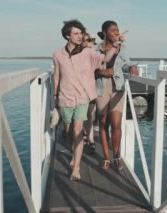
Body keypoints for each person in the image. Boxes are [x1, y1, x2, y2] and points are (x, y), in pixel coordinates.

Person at [53, 20, 116, 180]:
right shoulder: (58, 54)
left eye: (81, 33)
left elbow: (104, 58)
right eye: (76, 33)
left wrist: (115, 46)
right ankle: (74, 153)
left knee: (78, 128)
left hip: (83, 96)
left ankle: (77, 168)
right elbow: (57, 76)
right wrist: (55, 96)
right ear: (67, 36)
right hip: (65, 97)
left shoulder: (87, 52)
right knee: (68, 132)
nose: (80, 36)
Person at [95, 20, 138, 170]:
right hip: (101, 87)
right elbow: (89, 68)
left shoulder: (122, 48)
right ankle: (106, 157)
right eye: (113, 30)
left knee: (116, 124)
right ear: (105, 32)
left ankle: (117, 156)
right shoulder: (96, 49)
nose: (116, 32)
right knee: (103, 123)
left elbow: (126, 63)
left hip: (118, 87)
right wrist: (102, 72)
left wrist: (132, 66)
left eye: (117, 30)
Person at [82, 33, 97, 154]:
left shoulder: (93, 54)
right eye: (87, 40)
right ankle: (86, 135)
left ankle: (90, 138)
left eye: (90, 41)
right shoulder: (77, 55)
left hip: (92, 88)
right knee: (82, 114)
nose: (89, 43)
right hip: (80, 89)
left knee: (91, 114)